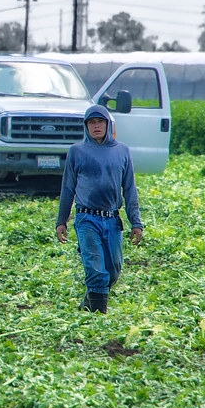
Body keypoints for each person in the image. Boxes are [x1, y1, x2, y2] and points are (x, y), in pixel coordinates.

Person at [55, 104, 143, 313]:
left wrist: (136, 222)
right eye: (92, 122)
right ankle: (97, 319)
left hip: (112, 219)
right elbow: (67, 189)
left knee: (112, 270)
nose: (96, 126)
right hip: (87, 218)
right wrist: (61, 220)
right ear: (86, 126)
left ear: (108, 124)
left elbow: (129, 189)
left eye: (100, 122)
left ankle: (89, 301)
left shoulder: (121, 151)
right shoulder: (77, 152)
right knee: (95, 267)